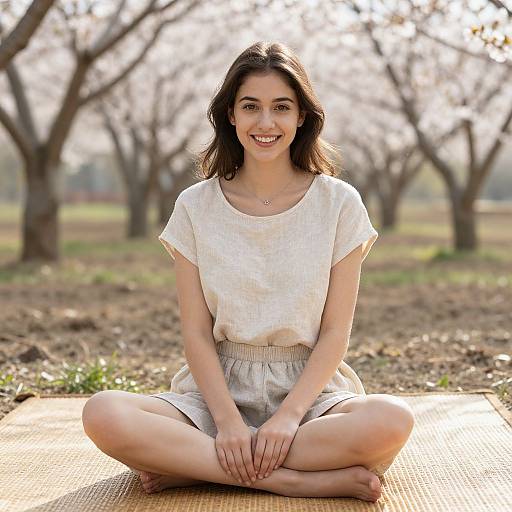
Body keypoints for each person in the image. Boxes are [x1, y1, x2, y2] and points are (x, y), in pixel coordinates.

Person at [82, 41, 415, 502]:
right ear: (230, 116)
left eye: (281, 107)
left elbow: (336, 332)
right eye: (250, 107)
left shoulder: (339, 203)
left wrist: (286, 418)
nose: (265, 123)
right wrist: (228, 424)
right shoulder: (194, 206)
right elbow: (197, 334)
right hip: (215, 390)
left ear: (302, 116)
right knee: (103, 413)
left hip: (311, 394)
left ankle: (193, 465)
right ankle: (294, 482)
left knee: (392, 420)